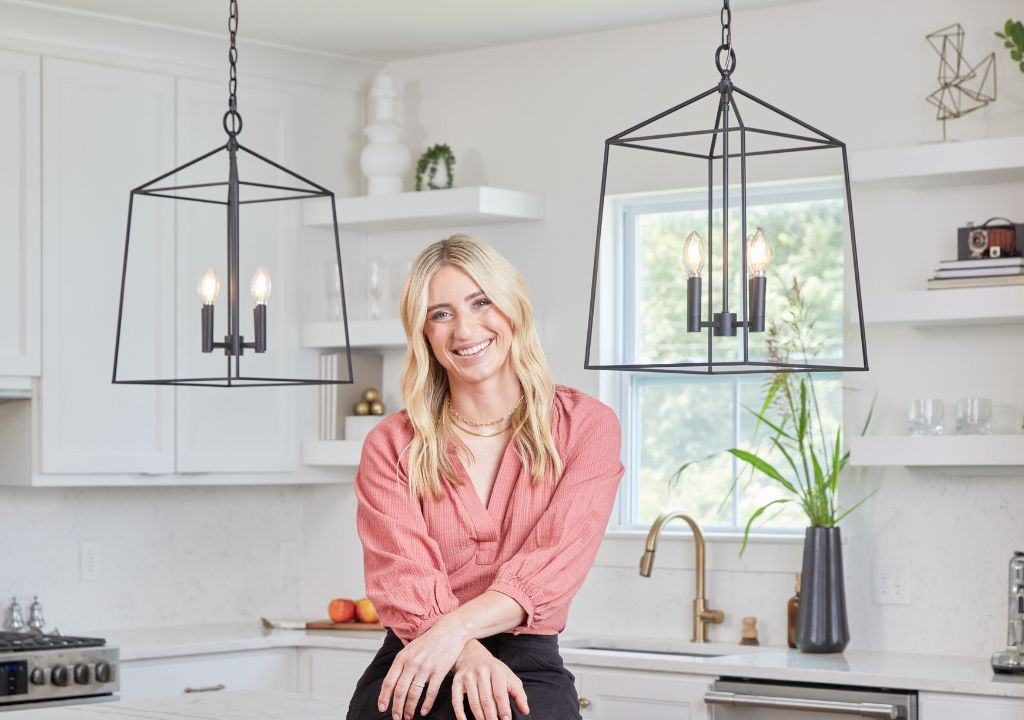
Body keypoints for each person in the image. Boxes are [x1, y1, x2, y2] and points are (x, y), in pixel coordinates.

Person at [347, 234, 624, 720]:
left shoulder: (585, 426)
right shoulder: (391, 445)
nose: (465, 328)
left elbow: (551, 569)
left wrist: (455, 632)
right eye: (441, 313)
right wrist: (465, 650)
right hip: (415, 658)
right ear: (424, 335)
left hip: (527, 659)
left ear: (513, 307)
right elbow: (403, 575)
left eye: (481, 302)